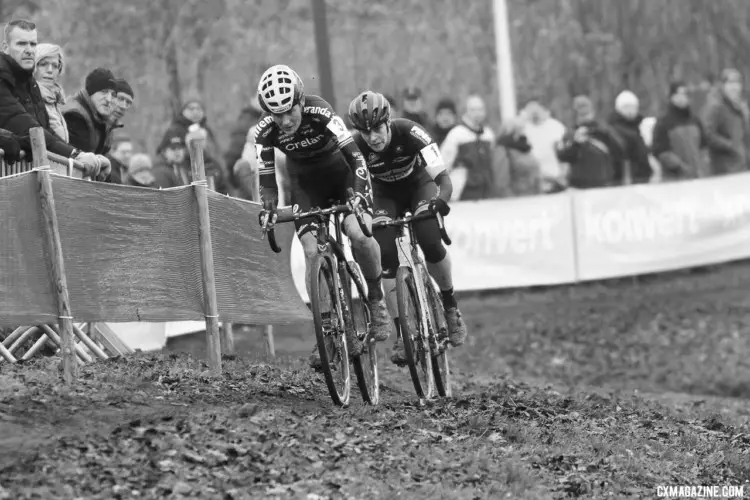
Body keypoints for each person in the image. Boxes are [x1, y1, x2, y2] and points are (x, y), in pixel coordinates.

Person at [254, 65, 390, 368]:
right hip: (305, 186)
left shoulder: (321, 111)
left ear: (301, 101)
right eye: (277, 115)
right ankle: (327, 331)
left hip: (341, 176)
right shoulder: (264, 131)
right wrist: (269, 208)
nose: (285, 121)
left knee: (358, 234)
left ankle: (377, 299)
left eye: (290, 111)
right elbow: (266, 178)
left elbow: (355, 156)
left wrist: (357, 194)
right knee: (312, 251)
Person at [348, 90, 468, 365]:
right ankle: (403, 333)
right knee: (386, 255)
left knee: (430, 241)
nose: (373, 138)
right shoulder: (356, 146)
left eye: (377, 129)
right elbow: (354, 187)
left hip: (418, 186)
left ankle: (450, 306)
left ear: (388, 121)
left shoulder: (411, 131)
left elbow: (444, 180)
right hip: (383, 195)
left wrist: (442, 201)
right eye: (366, 133)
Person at [0, 19, 104, 176]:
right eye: (21, 44)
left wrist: (78, 155)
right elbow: (26, 127)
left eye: (33, 44)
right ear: (5, 47)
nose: (29, 50)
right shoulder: (2, 78)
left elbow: (45, 130)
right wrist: (75, 155)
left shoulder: (30, 83)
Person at [556, 95, 624, 189]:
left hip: (603, 182)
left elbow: (620, 151)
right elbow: (563, 156)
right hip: (578, 185)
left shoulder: (604, 130)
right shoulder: (570, 134)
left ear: (592, 112)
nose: (585, 117)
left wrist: (603, 134)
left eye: (587, 113)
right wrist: (576, 143)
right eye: (581, 114)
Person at [440, 94, 496, 200]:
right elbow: (443, 164)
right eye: (473, 110)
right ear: (466, 111)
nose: (477, 113)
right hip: (463, 193)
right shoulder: (456, 134)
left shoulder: (488, 135)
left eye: (480, 109)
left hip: (486, 193)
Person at [652, 81, 708, 181]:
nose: (682, 97)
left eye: (684, 94)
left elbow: (703, 147)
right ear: (671, 97)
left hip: (698, 177)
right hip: (675, 180)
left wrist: (702, 167)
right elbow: (660, 152)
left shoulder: (695, 121)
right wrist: (681, 167)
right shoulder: (663, 123)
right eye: (678, 94)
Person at [702, 68, 750, 175]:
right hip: (725, 167)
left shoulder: (742, 107)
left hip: (743, 164)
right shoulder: (715, 106)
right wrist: (731, 146)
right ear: (722, 85)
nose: (735, 87)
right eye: (730, 83)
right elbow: (708, 134)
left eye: (738, 82)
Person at [63, 67, 117, 156]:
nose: (109, 99)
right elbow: (79, 161)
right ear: (90, 93)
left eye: (112, 94)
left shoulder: (103, 119)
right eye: (104, 92)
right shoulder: (74, 116)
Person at [607, 90, 652, 184]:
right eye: (626, 107)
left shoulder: (642, 127)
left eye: (633, 107)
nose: (630, 111)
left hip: (644, 177)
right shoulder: (614, 131)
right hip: (626, 179)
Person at [33, 43, 67, 142]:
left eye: (55, 66)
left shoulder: (53, 101)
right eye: (43, 64)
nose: (50, 70)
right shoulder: (29, 99)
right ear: (33, 67)